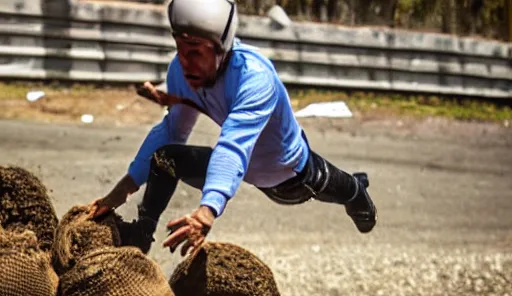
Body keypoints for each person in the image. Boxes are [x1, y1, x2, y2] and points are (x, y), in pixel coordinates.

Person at [90, 0, 377, 257]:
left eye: (195, 52)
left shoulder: (255, 78)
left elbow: (233, 145)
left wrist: (206, 212)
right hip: (239, 172)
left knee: (344, 189)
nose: (185, 62)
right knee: (165, 157)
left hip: (289, 175)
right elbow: (172, 131)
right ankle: (141, 235)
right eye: (180, 49)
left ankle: (357, 190)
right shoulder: (180, 70)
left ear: (221, 47)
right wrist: (123, 189)